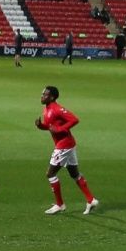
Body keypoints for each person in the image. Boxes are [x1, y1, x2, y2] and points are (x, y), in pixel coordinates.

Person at [38, 85, 98, 214]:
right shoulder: (47, 108)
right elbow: (50, 127)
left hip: (63, 145)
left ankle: (60, 204)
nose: (42, 96)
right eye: (43, 93)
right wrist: (41, 126)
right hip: (68, 144)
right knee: (74, 174)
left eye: (45, 94)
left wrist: (60, 129)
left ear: (52, 97)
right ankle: (91, 199)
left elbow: (74, 119)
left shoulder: (57, 109)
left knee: (50, 174)